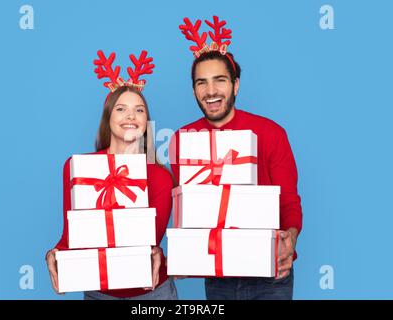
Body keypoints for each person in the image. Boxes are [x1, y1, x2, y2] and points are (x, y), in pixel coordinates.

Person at [169, 16, 303, 300]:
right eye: (201, 83)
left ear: (236, 85)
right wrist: (182, 254)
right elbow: (187, 208)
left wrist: (290, 237)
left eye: (220, 80)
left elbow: (289, 201)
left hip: (271, 274)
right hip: (218, 277)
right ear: (193, 90)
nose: (211, 91)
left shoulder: (270, 133)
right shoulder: (183, 139)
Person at [46, 50, 177, 300]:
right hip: (100, 293)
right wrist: (54, 253)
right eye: (121, 109)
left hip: (152, 294)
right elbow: (71, 233)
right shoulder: (78, 168)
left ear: (146, 120)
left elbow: (150, 242)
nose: (130, 116)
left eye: (139, 110)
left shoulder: (160, 176)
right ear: (108, 118)